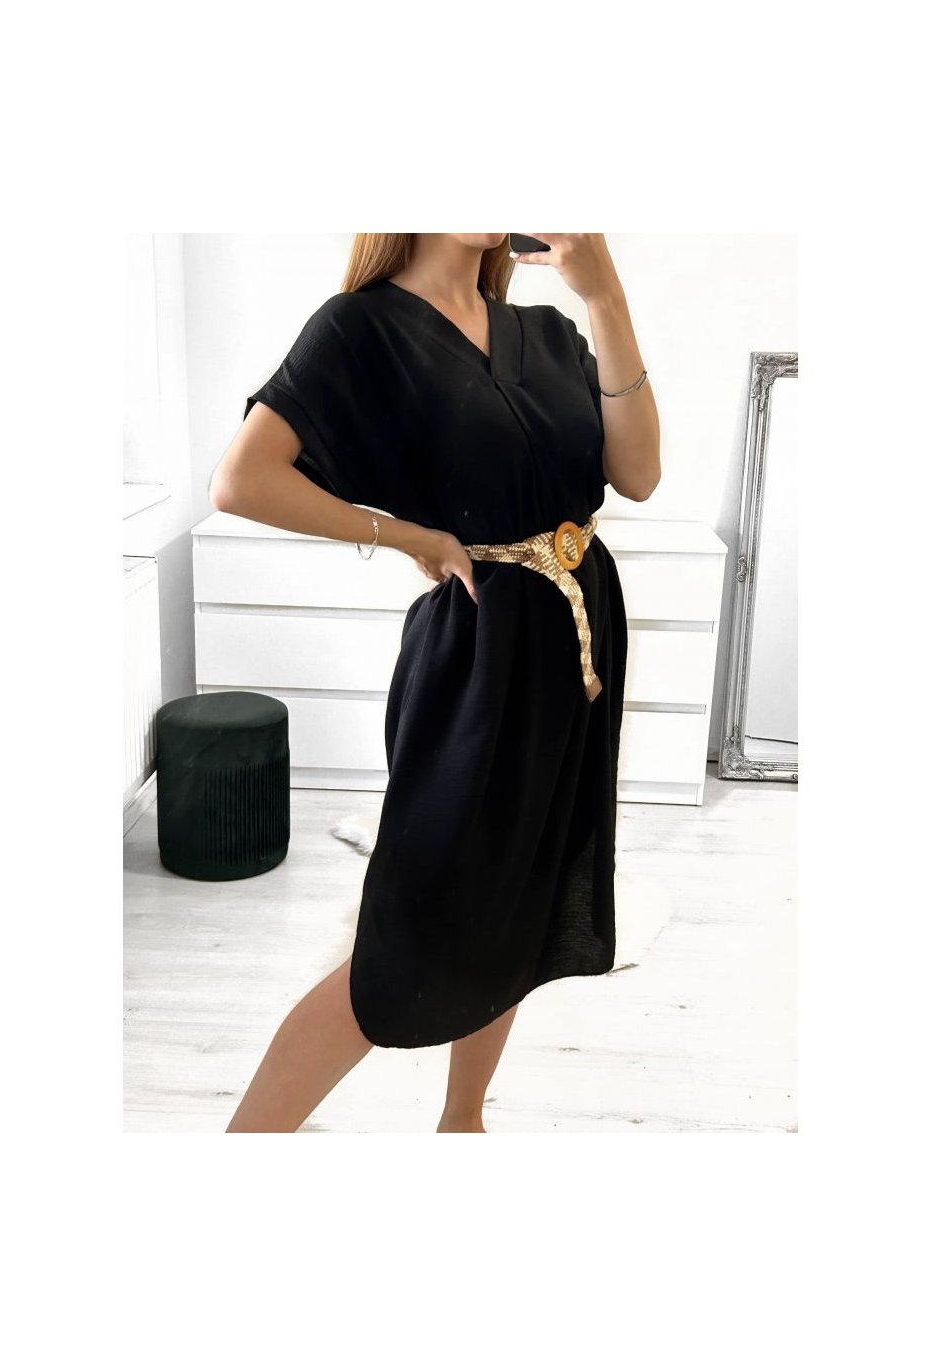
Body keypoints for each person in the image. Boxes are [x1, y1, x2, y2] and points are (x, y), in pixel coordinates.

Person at [210, 233, 661, 1132]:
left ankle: (463, 1120)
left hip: (574, 645)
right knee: (408, 932)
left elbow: (639, 474)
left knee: (521, 898)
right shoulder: (360, 329)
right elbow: (242, 480)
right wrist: (404, 534)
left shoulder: (548, 330)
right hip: (478, 659)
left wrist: (605, 298)